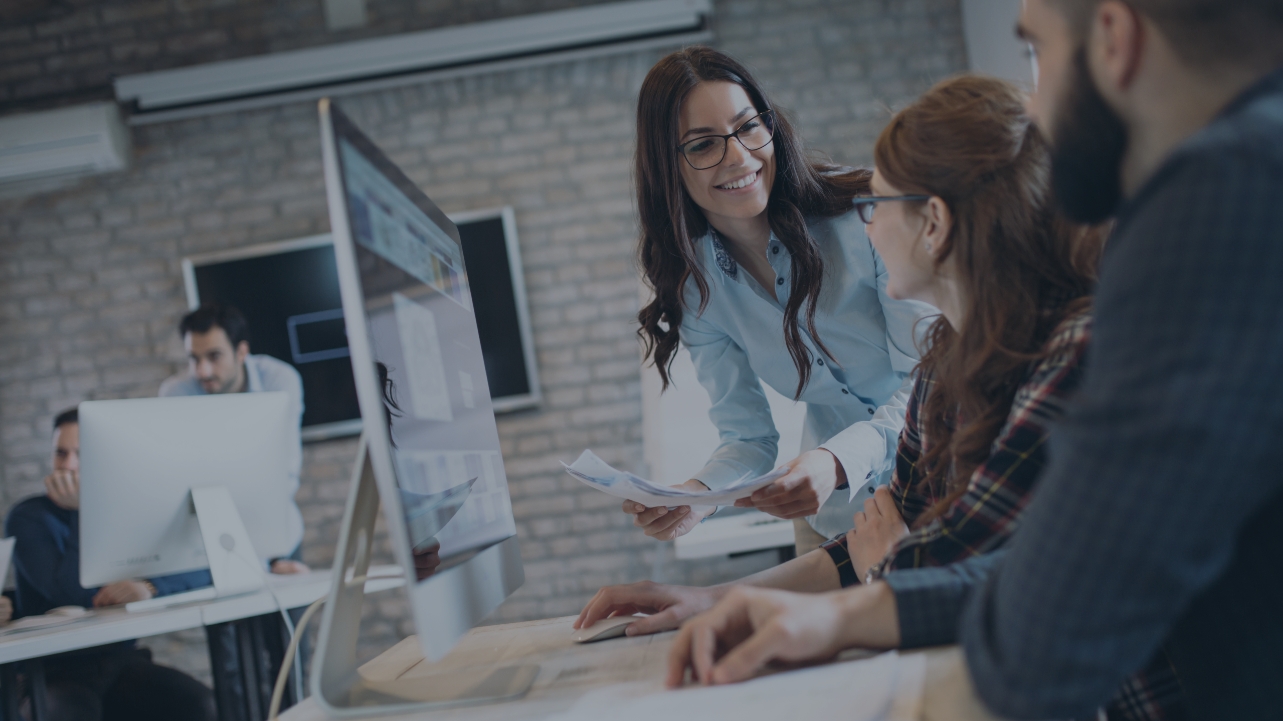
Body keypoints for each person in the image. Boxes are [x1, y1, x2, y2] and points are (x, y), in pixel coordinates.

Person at [664, 1, 1283, 719]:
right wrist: (776, 598)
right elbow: (1024, 570)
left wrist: (881, 572)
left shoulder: (1209, 212)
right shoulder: (941, 364)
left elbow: (1040, 597)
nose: (1035, 107)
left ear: (1114, 37)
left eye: (1036, 53)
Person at [630, 46, 935, 553]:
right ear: (668, 167)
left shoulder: (866, 214)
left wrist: (836, 460)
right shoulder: (697, 291)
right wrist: (699, 495)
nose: (740, 158)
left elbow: (930, 382)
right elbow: (748, 438)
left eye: (749, 126)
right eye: (703, 145)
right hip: (838, 523)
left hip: (946, 487)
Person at [5, 408, 217, 721]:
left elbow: (200, 568)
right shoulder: (27, 518)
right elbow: (74, 595)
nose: (68, 465)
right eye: (60, 454)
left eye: (80, 454)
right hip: (53, 672)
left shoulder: (126, 510)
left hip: (119, 662)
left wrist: (149, 587)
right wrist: (84, 510)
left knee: (201, 705)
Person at [159, 302, 308, 573]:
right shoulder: (176, 393)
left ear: (241, 351)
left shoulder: (279, 380)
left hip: (275, 533)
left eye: (214, 356)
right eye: (194, 358)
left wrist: (266, 559)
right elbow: (177, 477)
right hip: (206, 539)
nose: (202, 371)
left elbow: (284, 471)